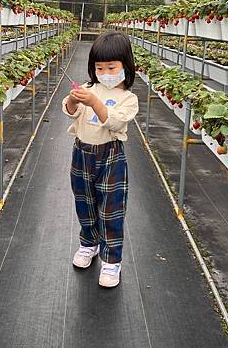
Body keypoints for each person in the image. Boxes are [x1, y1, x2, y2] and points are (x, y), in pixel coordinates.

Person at [62, 31, 139, 288]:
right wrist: (73, 99)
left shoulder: (128, 98)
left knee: (111, 210)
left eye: (111, 67)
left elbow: (114, 121)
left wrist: (95, 102)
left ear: (125, 67)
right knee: (84, 203)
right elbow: (70, 112)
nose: (104, 72)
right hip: (81, 153)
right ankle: (89, 244)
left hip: (110, 157)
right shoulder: (87, 89)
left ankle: (111, 260)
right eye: (98, 67)